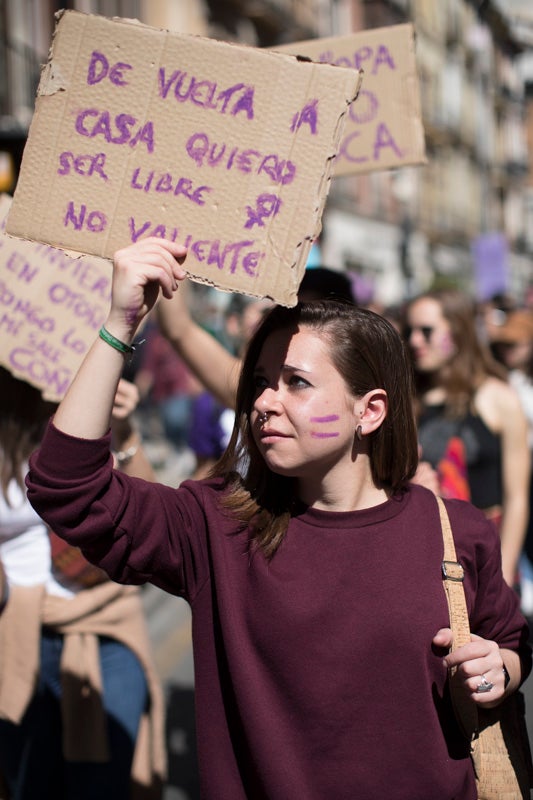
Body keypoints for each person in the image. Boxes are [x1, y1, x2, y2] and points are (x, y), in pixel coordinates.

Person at [25, 238, 531, 800]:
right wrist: (118, 327)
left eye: (296, 382)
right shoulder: (217, 526)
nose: (266, 400)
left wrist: (498, 669)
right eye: (260, 381)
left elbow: (511, 643)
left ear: (370, 411)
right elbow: (66, 488)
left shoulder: (455, 531)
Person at [0, 367, 166, 800]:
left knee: (102, 786)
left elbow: (151, 527)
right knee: (32, 786)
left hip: (103, 626)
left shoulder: (86, 416)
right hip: (14, 636)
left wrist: (126, 431)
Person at [403, 288, 531, 589]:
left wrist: (503, 574)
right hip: (423, 560)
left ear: (458, 331)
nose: (414, 341)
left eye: (427, 331)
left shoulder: (498, 398)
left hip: (482, 561)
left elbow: (517, 498)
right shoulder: (407, 399)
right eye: (410, 330)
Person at [489, 309, 533, 613]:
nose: (509, 350)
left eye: (516, 344)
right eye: (504, 344)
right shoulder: (499, 381)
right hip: (512, 472)